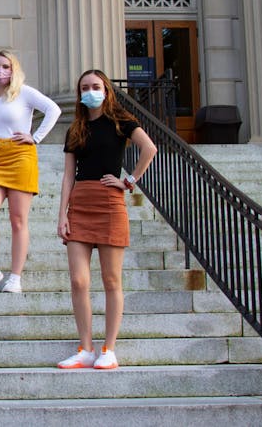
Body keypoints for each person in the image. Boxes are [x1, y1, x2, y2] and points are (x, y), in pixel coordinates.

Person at [56, 69, 157, 370]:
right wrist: (62, 214)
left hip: (110, 204)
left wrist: (129, 181)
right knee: (78, 280)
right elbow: (68, 175)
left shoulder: (121, 121)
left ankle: (108, 349)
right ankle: (85, 349)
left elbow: (149, 148)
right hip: (80, 204)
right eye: (85, 87)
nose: (90, 91)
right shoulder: (75, 129)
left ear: (106, 90)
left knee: (111, 279)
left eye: (96, 86)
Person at [0, 50, 61, 294]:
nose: (0, 70)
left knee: (18, 220)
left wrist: (36, 137)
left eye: (6, 66)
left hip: (21, 156)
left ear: (14, 70)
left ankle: (15, 277)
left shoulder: (24, 93)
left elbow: (53, 110)